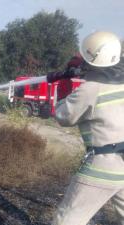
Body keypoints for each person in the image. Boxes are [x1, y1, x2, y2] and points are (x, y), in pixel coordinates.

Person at [48, 31, 124, 225]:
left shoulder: (90, 90)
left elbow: (62, 116)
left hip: (103, 166)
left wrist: (65, 86)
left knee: (66, 220)